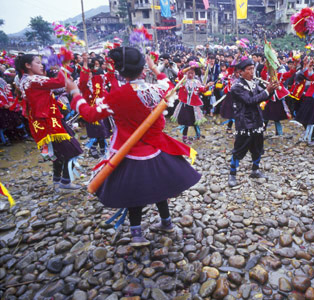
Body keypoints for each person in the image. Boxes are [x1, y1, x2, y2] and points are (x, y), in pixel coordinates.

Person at [68, 47, 201, 247]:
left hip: (128, 151)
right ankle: (166, 222)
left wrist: (75, 93)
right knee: (160, 188)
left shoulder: (117, 95)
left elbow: (90, 115)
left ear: (121, 72)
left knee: (134, 193)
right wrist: (155, 68)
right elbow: (169, 84)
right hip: (156, 148)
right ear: (142, 70)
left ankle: (137, 233)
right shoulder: (157, 89)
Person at [15, 54, 83, 190]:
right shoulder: (33, 80)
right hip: (49, 121)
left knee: (58, 153)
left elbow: (58, 87)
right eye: (38, 62)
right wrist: (62, 67)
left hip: (44, 120)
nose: (41, 65)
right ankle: (65, 182)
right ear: (28, 65)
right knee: (72, 149)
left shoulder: (26, 80)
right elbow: (59, 83)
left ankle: (57, 180)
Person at [227, 59, 278, 187]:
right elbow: (250, 100)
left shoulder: (255, 83)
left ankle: (255, 170)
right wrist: (267, 91)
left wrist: (272, 90)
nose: (252, 72)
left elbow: (263, 95)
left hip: (257, 120)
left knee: (258, 147)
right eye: (249, 69)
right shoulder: (236, 87)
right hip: (244, 122)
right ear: (240, 72)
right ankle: (232, 174)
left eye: (252, 68)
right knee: (239, 149)